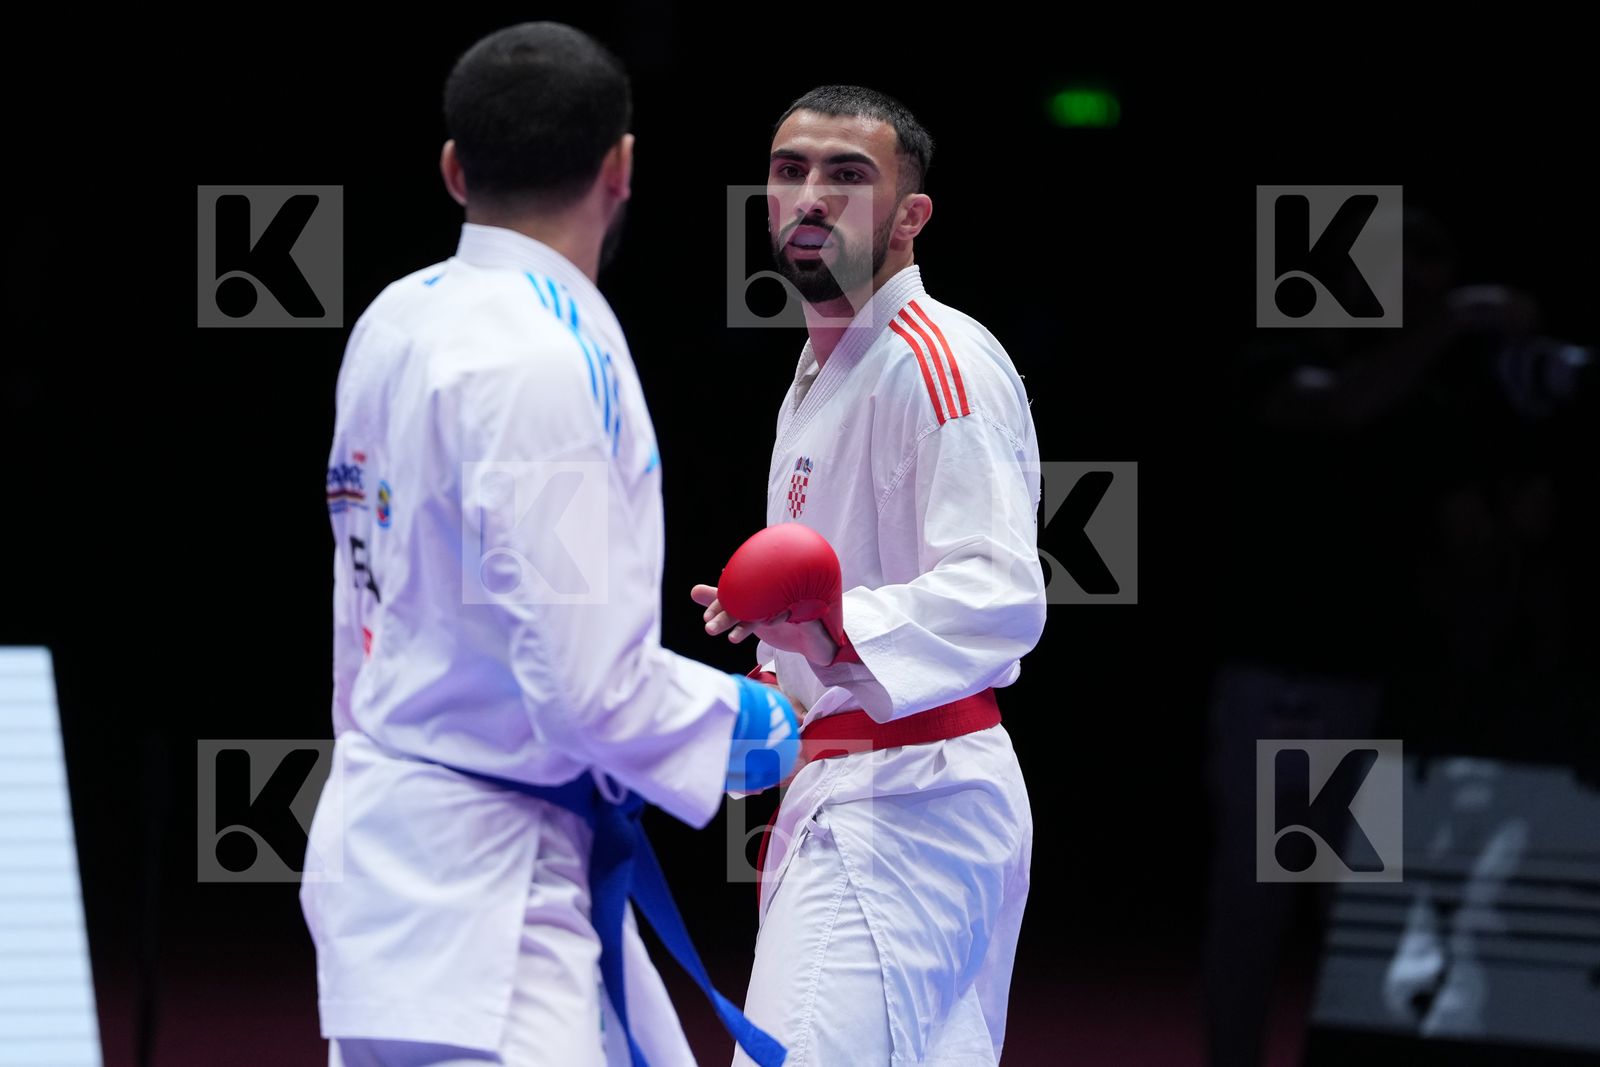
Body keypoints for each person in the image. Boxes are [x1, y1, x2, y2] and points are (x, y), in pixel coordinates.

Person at [300, 23, 796, 1067]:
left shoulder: (398, 317)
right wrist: (757, 718)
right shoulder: (541, 361)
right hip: (486, 905)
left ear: (452, 167)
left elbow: (370, 615)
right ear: (621, 167)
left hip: (389, 851)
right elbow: (588, 687)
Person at [691, 85, 1046, 1066]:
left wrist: (830, 620)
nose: (811, 194)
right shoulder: (818, 371)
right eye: (788, 170)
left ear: (908, 215)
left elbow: (1001, 591)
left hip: (910, 797)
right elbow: (834, 611)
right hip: (866, 786)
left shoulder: (936, 360)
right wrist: (774, 656)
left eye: (847, 175)